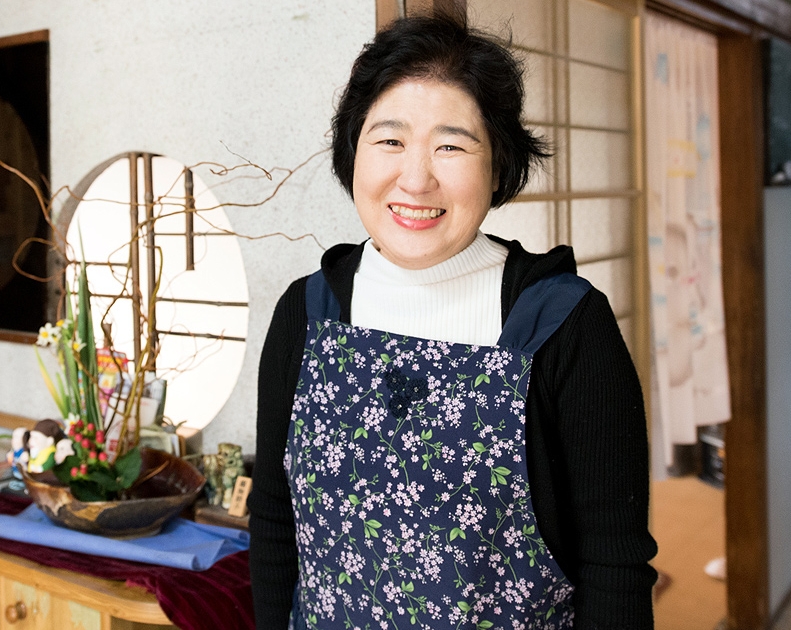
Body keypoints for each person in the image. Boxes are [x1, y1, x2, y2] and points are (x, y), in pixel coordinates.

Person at [249, 11, 658, 630]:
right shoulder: (307, 312)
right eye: (389, 140)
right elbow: (277, 519)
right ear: (351, 152)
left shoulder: (563, 323)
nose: (415, 178)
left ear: (498, 165)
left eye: (451, 144)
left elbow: (615, 566)